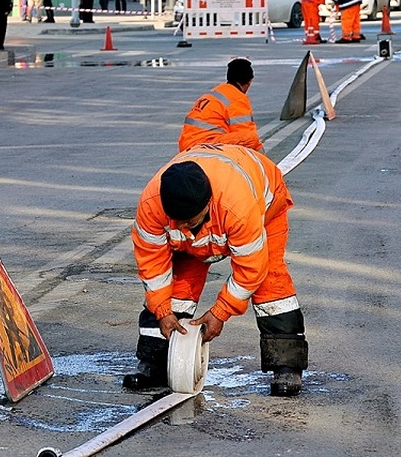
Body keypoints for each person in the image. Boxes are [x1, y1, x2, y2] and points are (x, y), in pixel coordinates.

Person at [124, 143, 309, 397]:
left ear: (208, 204)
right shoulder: (151, 205)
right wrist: (162, 310)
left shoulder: (237, 206)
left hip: (265, 210)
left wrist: (220, 312)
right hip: (215, 211)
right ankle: (154, 362)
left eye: (190, 221)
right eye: (178, 221)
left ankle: (287, 366)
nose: (183, 225)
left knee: (270, 286)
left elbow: (251, 269)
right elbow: (152, 264)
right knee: (177, 285)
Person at [178, 58, 263, 152]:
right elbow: (245, 132)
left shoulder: (217, 91)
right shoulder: (237, 98)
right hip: (204, 143)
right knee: (251, 138)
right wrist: (266, 163)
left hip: (186, 144)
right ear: (249, 82)